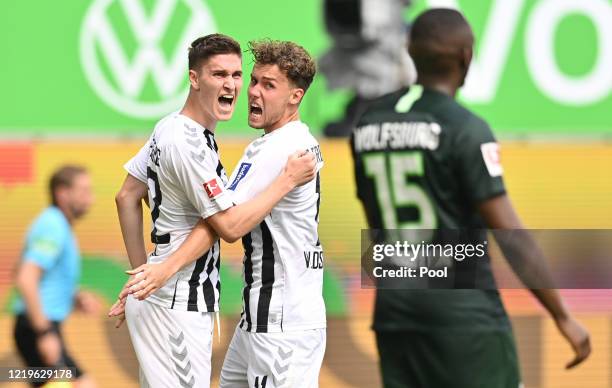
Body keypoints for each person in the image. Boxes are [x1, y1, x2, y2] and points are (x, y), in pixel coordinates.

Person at [350, 8, 591, 388]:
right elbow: (509, 232)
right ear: (466, 57)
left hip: (396, 314)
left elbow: (378, 225)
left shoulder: (368, 123)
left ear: (411, 52)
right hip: (463, 318)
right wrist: (562, 315)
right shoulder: (465, 128)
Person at [111, 34, 316, 388]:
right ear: (194, 79)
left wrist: (141, 276)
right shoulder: (189, 143)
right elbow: (227, 225)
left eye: (238, 75)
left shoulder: (169, 127)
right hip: (178, 299)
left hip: (167, 295)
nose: (235, 86)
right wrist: (154, 275)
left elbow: (127, 196)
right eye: (220, 75)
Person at [13, 165, 98, 388]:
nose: (91, 199)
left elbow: (28, 273)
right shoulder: (53, 225)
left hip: (38, 326)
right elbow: (25, 278)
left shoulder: (57, 225)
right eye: (84, 191)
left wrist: (74, 296)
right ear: (62, 193)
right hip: (37, 327)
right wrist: (44, 333)